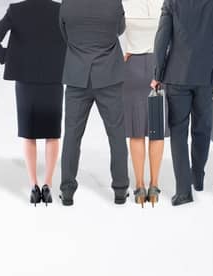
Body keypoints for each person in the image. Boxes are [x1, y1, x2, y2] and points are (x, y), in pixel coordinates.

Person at [0, 0, 66, 206]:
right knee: (52, 133)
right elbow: (74, 41)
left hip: (25, 79)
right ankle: (47, 184)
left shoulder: (16, 10)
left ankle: (33, 186)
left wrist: (9, 58)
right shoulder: (60, 10)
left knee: (29, 133)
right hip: (54, 78)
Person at [152, 0, 213, 206]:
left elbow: (161, 40)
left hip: (177, 77)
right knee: (202, 128)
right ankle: (198, 178)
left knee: (178, 131)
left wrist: (157, 74)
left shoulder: (172, 3)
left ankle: (183, 191)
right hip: (205, 78)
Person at [56, 0, 128, 207]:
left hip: (77, 76)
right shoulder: (114, 3)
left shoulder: (68, 4)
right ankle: (120, 190)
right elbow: (120, 29)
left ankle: (67, 191)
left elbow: (64, 33)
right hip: (109, 76)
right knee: (116, 134)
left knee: (72, 136)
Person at [120, 0, 164, 206]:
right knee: (157, 129)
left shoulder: (125, 4)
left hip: (133, 64)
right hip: (160, 66)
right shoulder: (166, 3)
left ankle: (139, 187)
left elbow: (110, 28)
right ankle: (154, 185)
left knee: (136, 130)